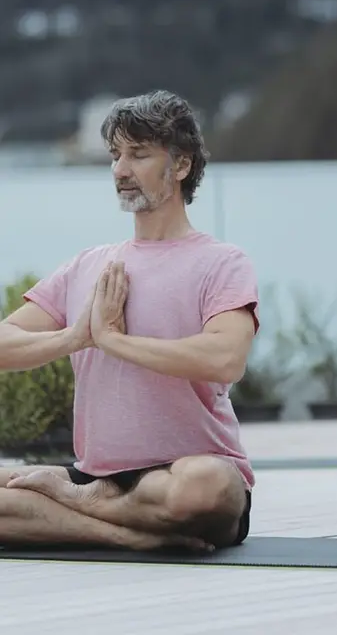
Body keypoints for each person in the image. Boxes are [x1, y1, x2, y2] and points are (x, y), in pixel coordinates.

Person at [0, 90, 260, 552]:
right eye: (115, 156)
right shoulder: (88, 265)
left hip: (187, 468)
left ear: (180, 166)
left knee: (206, 489)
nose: (121, 170)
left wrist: (114, 342)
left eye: (138, 154)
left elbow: (225, 359)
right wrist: (77, 336)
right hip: (96, 474)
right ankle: (119, 530)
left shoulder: (221, 262)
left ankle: (81, 507)